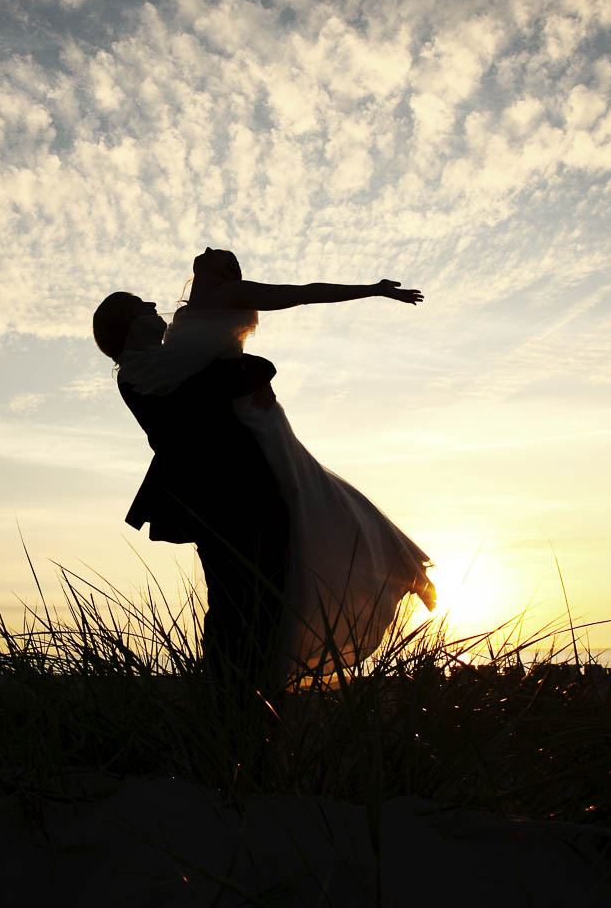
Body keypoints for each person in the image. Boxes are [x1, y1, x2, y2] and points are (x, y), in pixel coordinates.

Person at [121, 249, 435, 681]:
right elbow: (189, 387)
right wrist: (253, 370)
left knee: (312, 494)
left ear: (225, 273)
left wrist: (373, 290)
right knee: (306, 501)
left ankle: (399, 566)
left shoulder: (230, 294)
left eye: (221, 255)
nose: (211, 249)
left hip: (252, 421)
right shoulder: (180, 320)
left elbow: (303, 294)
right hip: (232, 432)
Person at [92, 291, 290, 711]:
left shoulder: (170, 363)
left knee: (257, 599)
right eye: (141, 307)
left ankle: (247, 701)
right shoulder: (142, 375)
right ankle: (231, 706)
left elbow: (238, 374)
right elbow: (229, 379)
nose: (153, 308)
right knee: (237, 603)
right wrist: (254, 369)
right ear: (127, 326)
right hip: (219, 499)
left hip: (242, 491)